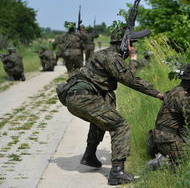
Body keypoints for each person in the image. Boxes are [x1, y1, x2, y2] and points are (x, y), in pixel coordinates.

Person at [59, 27, 164, 185]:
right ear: (127, 44)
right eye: (132, 43)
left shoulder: (105, 54)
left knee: (104, 114)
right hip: (83, 97)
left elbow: (125, 72)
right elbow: (131, 80)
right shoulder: (112, 57)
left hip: (76, 97)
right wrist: (158, 94)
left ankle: (89, 155)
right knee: (119, 125)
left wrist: (133, 59)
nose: (134, 47)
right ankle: (117, 172)